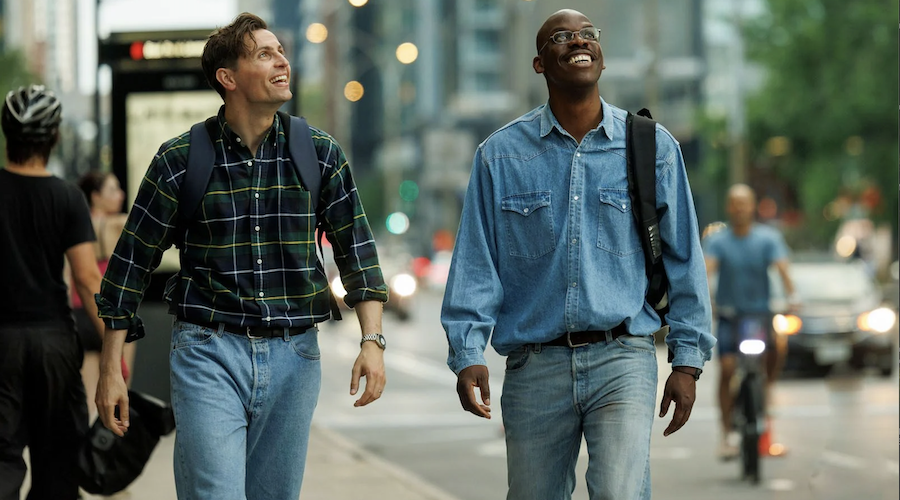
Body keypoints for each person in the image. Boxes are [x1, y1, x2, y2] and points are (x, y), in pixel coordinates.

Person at [93, 12, 389, 499]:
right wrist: (110, 372)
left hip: (295, 355)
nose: (282, 63)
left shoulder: (320, 154)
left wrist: (372, 341)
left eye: (282, 52)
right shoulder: (179, 159)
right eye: (264, 54)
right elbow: (129, 265)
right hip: (208, 350)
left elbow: (358, 253)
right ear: (227, 78)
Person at [440, 9, 714, 500]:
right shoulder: (499, 156)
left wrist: (687, 362)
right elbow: (476, 263)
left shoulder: (654, 148)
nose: (577, 41)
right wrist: (467, 353)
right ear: (540, 63)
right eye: (561, 37)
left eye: (587, 34)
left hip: (624, 357)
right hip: (534, 368)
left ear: (601, 58)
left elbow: (685, 262)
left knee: (619, 492)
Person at [0, 85, 106, 499]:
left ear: (7, 132)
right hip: (54, 345)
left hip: (1, 342)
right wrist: (113, 359)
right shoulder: (68, 198)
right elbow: (87, 279)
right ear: (55, 136)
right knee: (59, 461)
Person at [703, 183, 796, 460]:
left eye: (745, 202)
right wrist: (702, 296)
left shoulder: (768, 238)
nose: (740, 208)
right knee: (728, 368)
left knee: (777, 345)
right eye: (735, 203)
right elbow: (707, 270)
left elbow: (782, 269)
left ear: (753, 205)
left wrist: (794, 295)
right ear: (729, 207)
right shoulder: (717, 241)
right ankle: (726, 434)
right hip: (730, 315)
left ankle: (767, 388)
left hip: (759, 315)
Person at [73, 171, 134, 419]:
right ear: (95, 196)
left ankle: (88, 452)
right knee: (120, 385)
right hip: (112, 312)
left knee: (89, 394)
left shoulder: (77, 225)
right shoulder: (115, 225)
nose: (120, 195)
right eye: (112, 190)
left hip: (80, 311)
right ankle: (110, 452)